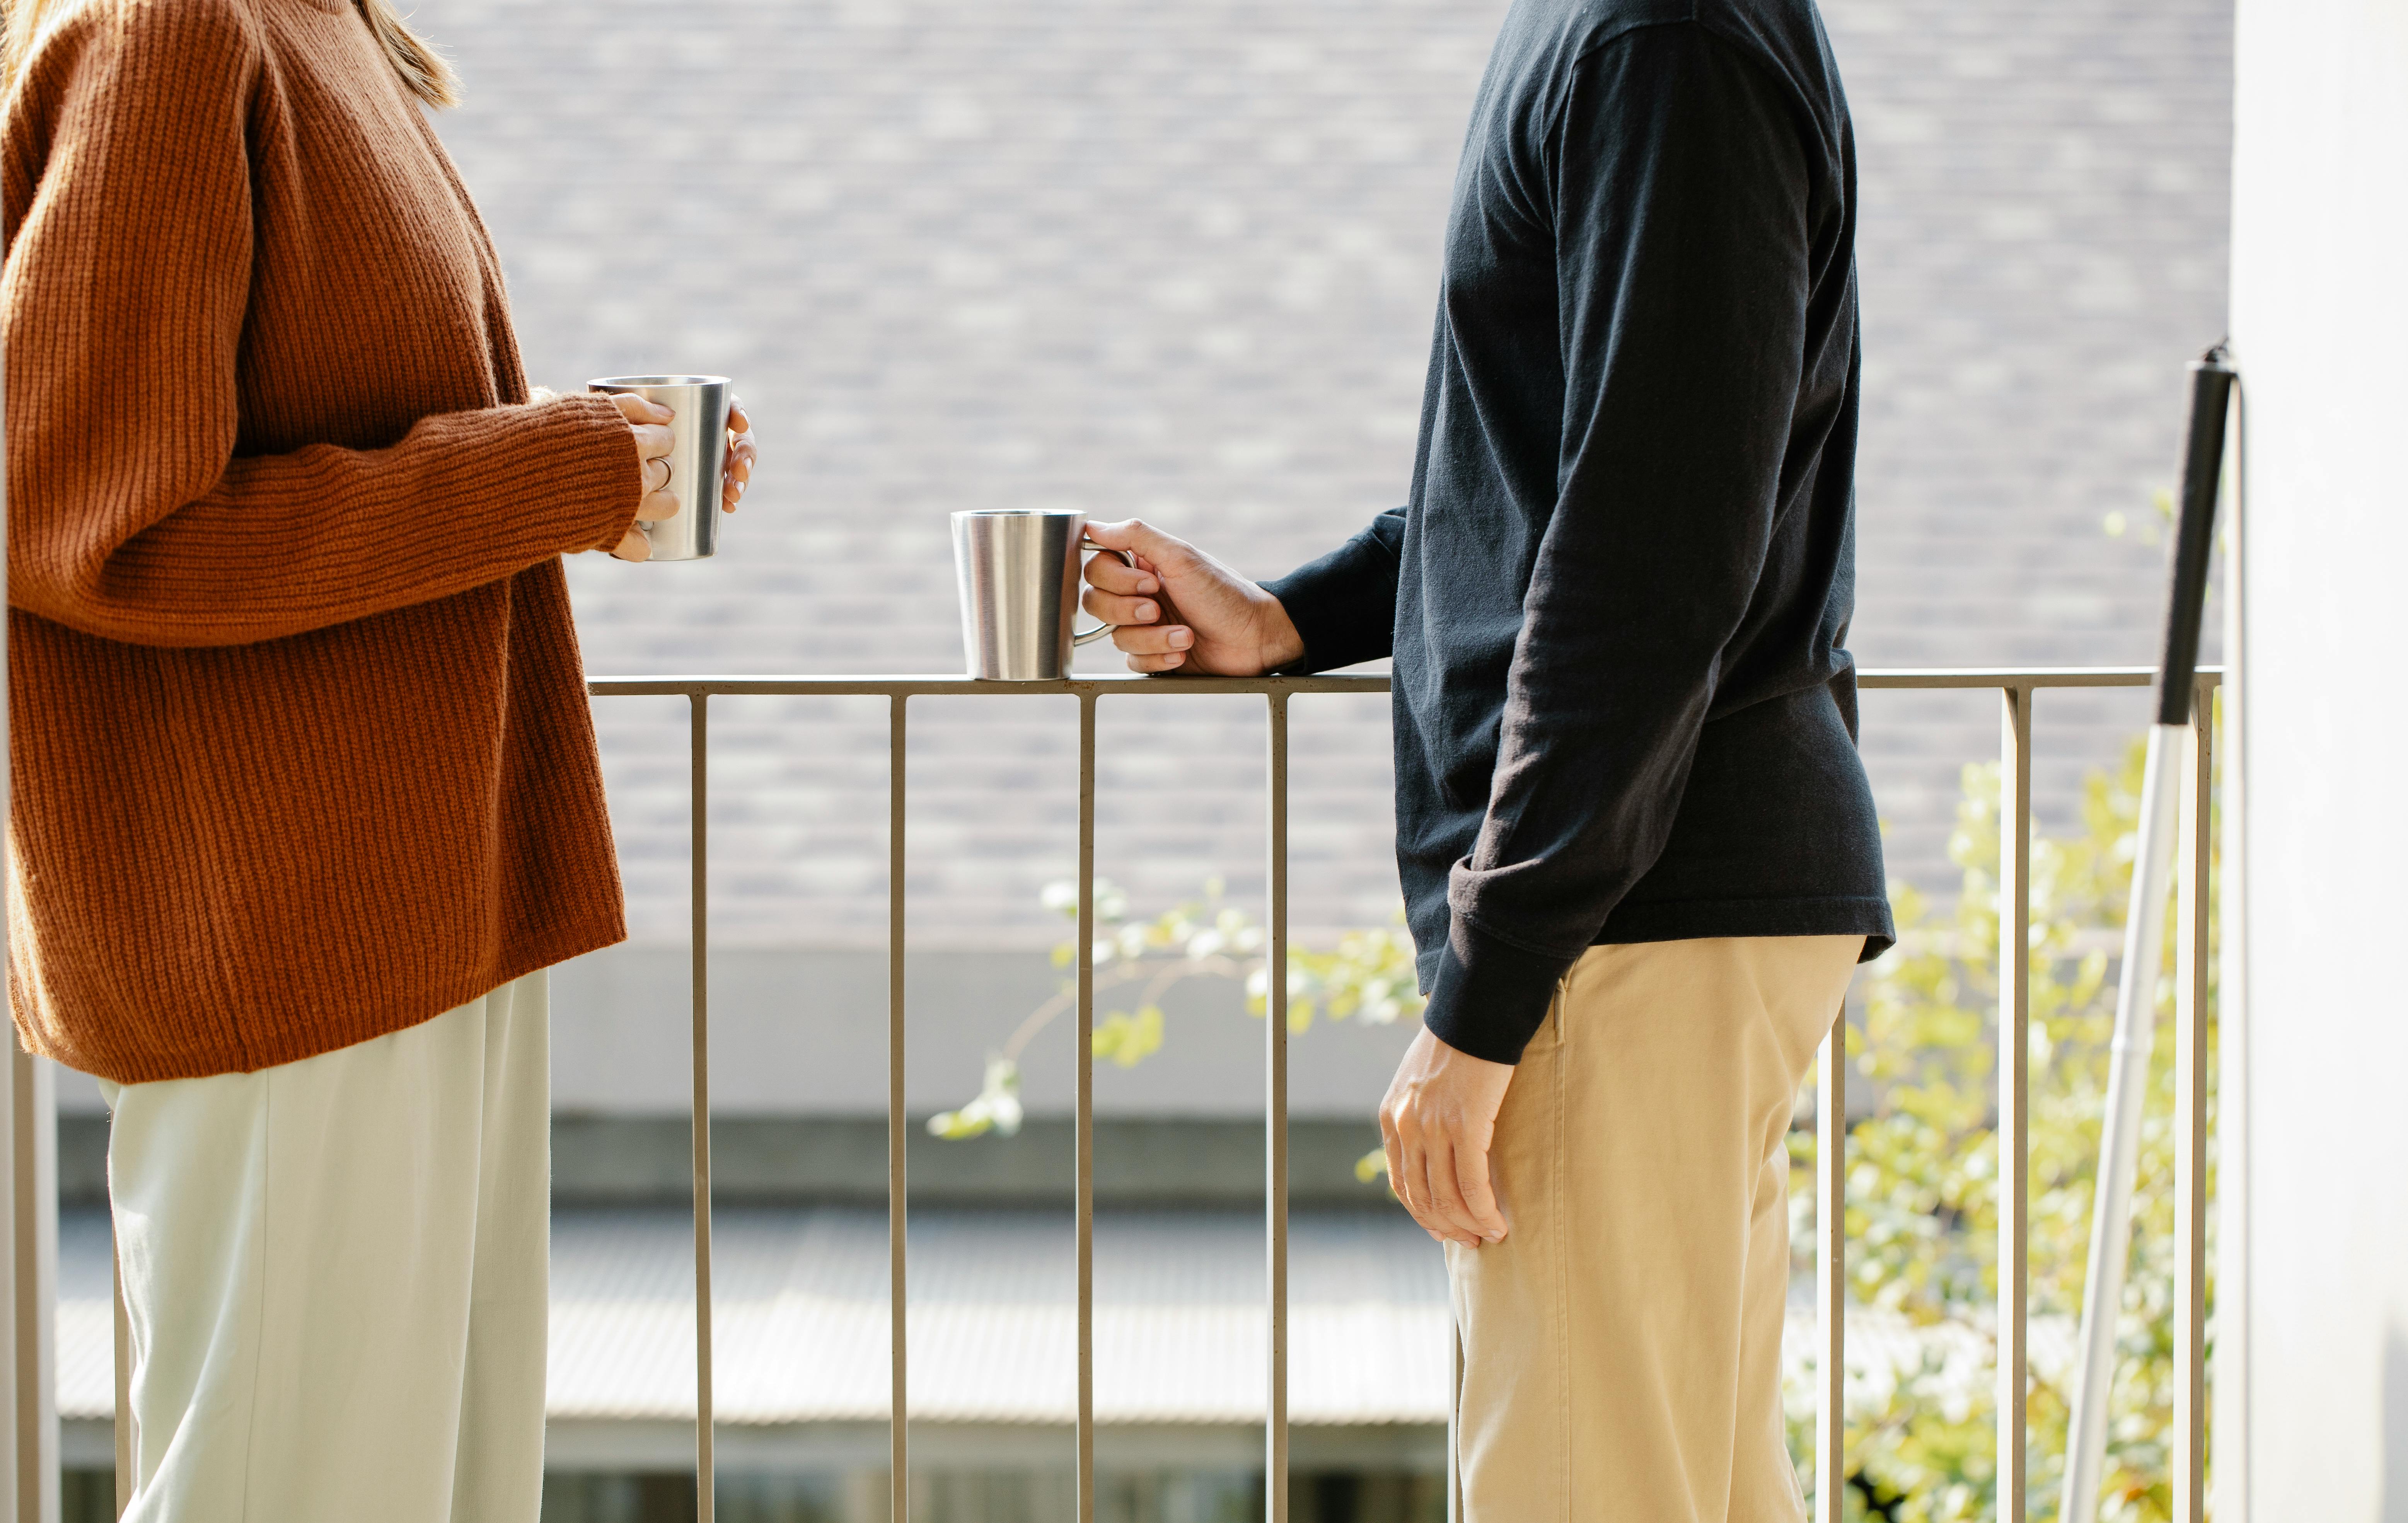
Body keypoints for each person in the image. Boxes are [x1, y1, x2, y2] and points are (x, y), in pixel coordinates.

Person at [1083, 0, 1893, 1513]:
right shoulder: (1619, 31)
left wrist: (1489, 991)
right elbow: (1545, 483)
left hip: (1638, 909)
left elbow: (1650, 543)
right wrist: (1287, 617)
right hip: (1674, 899)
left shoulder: (1670, 39)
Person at [2, 0, 755, 1516]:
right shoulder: (171, 29)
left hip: (414, 909)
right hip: (283, 940)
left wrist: (592, 457)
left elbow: (320, 418)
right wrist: (561, 465)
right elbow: (98, 522)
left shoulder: (318, 28)